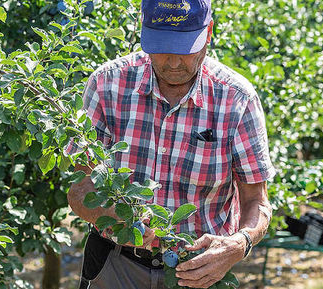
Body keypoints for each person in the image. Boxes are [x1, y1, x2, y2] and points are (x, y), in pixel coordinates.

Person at [66, 0, 275, 288]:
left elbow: (257, 201)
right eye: (163, 47)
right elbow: (80, 189)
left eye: (186, 48)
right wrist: (115, 218)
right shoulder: (107, 85)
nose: (174, 62)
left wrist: (239, 244)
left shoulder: (236, 100)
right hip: (115, 264)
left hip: (199, 271)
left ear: (208, 33)